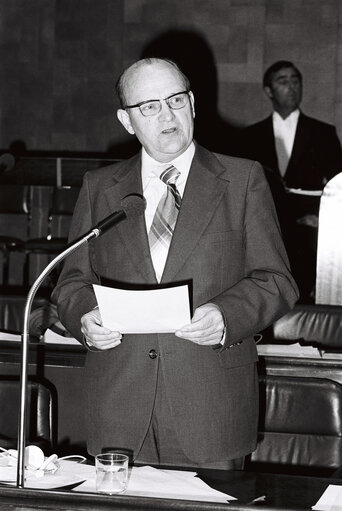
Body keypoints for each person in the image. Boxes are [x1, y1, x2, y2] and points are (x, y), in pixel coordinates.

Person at [52, 58, 298, 469]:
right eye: (149, 106)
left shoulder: (243, 180)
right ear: (126, 121)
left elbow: (277, 281)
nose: (167, 114)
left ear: (194, 104)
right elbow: (70, 283)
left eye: (176, 100)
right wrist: (84, 319)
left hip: (211, 406)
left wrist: (226, 316)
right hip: (119, 406)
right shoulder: (100, 188)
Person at [239, 61, 342, 301]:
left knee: (303, 294)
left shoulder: (323, 133)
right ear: (268, 91)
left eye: (295, 80)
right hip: (265, 229)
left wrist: (323, 220)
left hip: (309, 232)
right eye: (283, 81)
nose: (291, 86)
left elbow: (339, 184)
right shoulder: (249, 136)